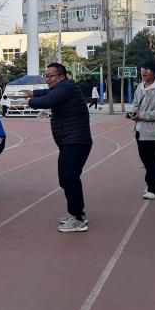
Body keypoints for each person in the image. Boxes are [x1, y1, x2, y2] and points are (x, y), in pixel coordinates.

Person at [24, 63, 93, 232]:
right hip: (70, 141)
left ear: (61, 76)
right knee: (68, 178)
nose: (47, 79)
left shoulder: (67, 87)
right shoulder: (63, 87)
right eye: (45, 76)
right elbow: (48, 93)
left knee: (69, 178)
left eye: (50, 76)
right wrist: (34, 93)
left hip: (76, 141)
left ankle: (77, 219)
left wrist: (30, 101)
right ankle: (78, 214)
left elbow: (49, 99)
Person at [128, 60, 155, 200]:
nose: (144, 72)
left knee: (152, 159)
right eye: (143, 69)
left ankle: (154, 188)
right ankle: (151, 183)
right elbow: (135, 102)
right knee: (145, 158)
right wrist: (133, 112)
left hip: (153, 129)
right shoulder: (140, 86)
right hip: (140, 129)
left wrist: (142, 116)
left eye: (148, 70)